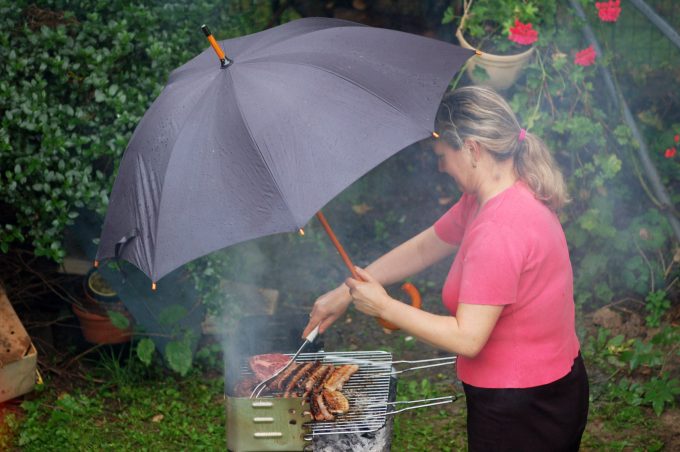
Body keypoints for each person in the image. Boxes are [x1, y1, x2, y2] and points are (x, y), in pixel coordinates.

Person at [302, 85, 589, 451]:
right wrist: (345, 291)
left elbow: (467, 338)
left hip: (523, 407)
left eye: (443, 155)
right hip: (546, 390)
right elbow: (426, 246)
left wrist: (385, 307)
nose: (440, 167)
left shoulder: (499, 229)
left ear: (472, 148)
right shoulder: (494, 198)